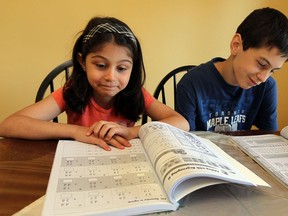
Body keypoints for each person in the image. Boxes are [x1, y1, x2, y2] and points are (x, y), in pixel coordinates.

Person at [0, 17, 189, 150]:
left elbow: (181, 123)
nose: (111, 77)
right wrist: (75, 131)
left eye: (122, 68)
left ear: (132, 68)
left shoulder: (136, 93)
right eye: (100, 65)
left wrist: (130, 132)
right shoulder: (71, 92)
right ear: (82, 62)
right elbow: (9, 125)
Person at [176, 7, 288, 132]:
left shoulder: (267, 87)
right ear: (236, 45)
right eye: (262, 64)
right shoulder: (192, 84)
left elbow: (269, 138)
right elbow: (184, 142)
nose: (263, 77)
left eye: (273, 70)